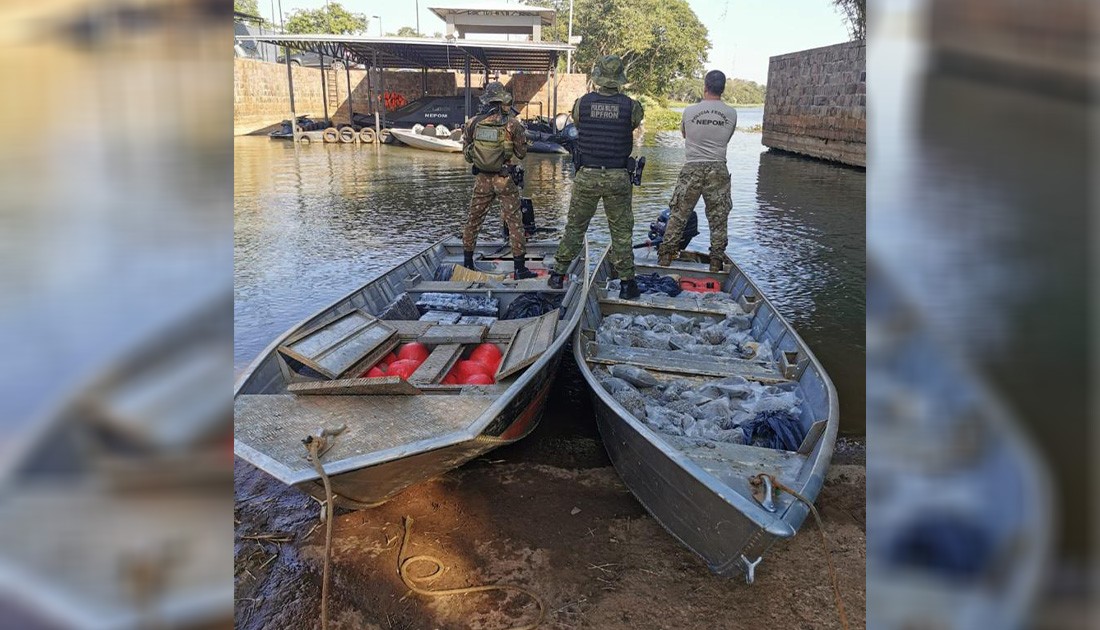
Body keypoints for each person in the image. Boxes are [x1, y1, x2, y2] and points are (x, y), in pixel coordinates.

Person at [548, 55, 644, 299]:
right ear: (620, 78)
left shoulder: (582, 103)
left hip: (587, 175)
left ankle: (557, 275)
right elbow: (633, 123)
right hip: (617, 176)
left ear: (599, 77)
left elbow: (579, 123)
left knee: (575, 227)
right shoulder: (631, 106)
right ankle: (627, 285)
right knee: (621, 232)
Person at [657, 69, 738, 272]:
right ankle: (716, 261)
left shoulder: (689, 111)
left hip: (692, 166)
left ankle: (666, 257)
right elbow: (726, 138)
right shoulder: (731, 113)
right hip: (718, 167)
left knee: (678, 214)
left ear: (705, 87)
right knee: (718, 218)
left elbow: (685, 135)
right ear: (723, 89)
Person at [461, 81, 535, 280]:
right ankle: (519, 269)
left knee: (474, 220)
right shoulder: (512, 124)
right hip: (505, 179)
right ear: (502, 100)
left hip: (482, 179)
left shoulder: (472, 123)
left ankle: (467, 262)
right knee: (514, 222)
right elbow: (521, 153)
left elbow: (467, 155)